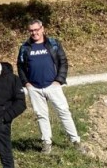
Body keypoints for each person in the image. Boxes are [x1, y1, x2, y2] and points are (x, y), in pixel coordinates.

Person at [17, 19, 86, 154]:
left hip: (53, 86)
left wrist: (59, 80)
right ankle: (46, 143)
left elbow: (63, 62)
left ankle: (76, 141)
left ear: (42, 29)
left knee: (64, 112)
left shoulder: (53, 44)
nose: (34, 33)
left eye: (36, 29)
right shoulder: (25, 47)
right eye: (31, 30)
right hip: (34, 88)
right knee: (41, 115)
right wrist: (26, 83)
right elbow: (20, 66)